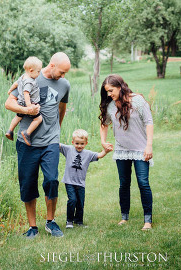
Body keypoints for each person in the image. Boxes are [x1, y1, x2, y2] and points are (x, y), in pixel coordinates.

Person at [5, 52, 71, 238]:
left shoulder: (65, 85)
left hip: (51, 141)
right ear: (51, 65)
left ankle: (51, 222)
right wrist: (26, 110)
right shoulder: (31, 76)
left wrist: (57, 129)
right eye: (62, 71)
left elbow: (62, 107)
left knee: (51, 180)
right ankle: (32, 227)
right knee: (28, 183)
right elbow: (8, 103)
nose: (63, 76)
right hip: (27, 142)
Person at [99, 74, 154, 231]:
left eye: (111, 91)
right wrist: (103, 141)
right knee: (124, 184)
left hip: (140, 149)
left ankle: (148, 220)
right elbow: (104, 123)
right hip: (122, 149)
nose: (109, 94)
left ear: (120, 87)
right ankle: (124, 217)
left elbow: (149, 122)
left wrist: (149, 145)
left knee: (143, 183)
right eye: (107, 92)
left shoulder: (137, 101)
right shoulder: (110, 105)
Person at [59, 129, 108, 228]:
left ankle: (79, 221)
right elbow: (57, 145)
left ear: (86, 143)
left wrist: (106, 150)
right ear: (73, 142)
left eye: (82, 143)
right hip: (69, 181)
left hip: (80, 183)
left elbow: (100, 155)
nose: (79, 146)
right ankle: (69, 221)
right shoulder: (68, 149)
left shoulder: (88, 154)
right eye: (77, 143)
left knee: (80, 202)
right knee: (72, 200)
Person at [5, 56, 43, 144]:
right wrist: (29, 107)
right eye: (38, 71)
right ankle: (27, 133)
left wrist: (10, 90)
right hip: (30, 103)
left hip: (20, 103)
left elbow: (15, 84)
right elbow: (26, 93)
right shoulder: (30, 81)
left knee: (18, 117)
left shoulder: (22, 77)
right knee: (38, 119)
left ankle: (10, 130)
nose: (39, 73)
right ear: (31, 70)